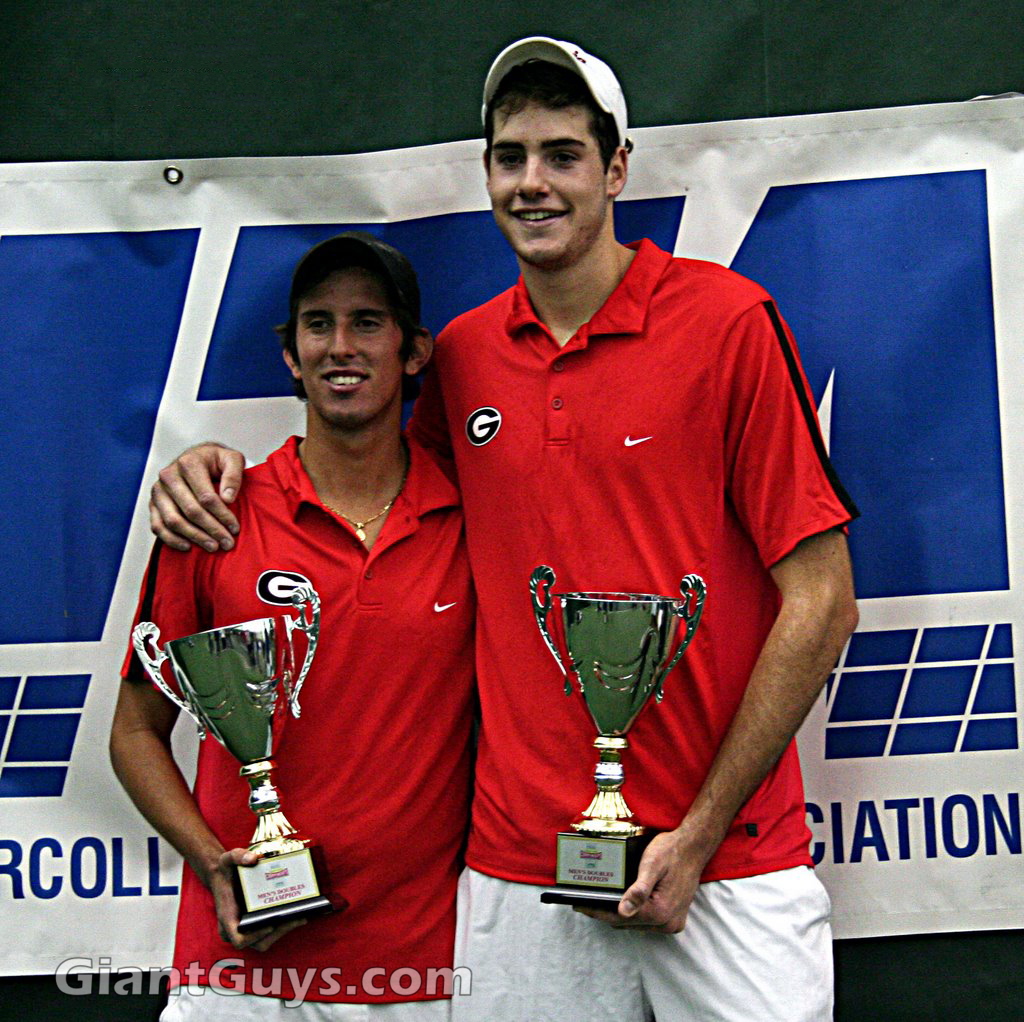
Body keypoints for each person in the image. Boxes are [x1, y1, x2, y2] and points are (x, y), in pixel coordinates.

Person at [148, 37, 859, 1022]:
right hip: (518, 873)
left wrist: (695, 835)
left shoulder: (728, 324)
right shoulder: (469, 356)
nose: (533, 182)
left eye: (562, 154)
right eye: (510, 156)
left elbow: (821, 599)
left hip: (729, 864)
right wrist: (208, 464)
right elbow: (368, 479)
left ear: (616, 168)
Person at [112, 233, 475, 1020]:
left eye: (367, 322)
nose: (340, 347)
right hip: (239, 973)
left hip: (420, 975)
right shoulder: (216, 516)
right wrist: (214, 867)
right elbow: (136, 732)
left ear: (415, 353)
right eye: (318, 323)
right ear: (290, 353)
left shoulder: (472, 518)